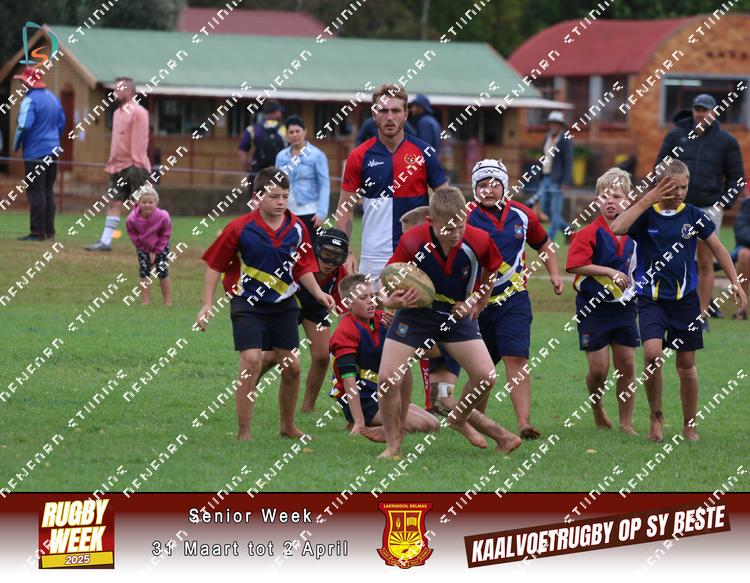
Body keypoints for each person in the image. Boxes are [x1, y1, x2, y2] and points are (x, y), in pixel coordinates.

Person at [377, 187, 522, 459]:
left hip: (455, 316)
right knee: (386, 379)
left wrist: (477, 302)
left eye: (460, 226)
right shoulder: (413, 241)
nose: (455, 234)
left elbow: (492, 270)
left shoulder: (478, 239)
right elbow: (387, 277)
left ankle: (458, 417)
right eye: (448, 228)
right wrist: (389, 300)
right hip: (415, 313)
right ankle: (393, 445)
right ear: (431, 221)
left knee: (486, 377)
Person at [195, 167, 335, 441]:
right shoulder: (239, 228)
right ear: (257, 197)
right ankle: (244, 431)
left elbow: (302, 266)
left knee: (292, 368)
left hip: (284, 306)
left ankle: (288, 427)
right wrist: (206, 304)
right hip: (247, 304)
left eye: (285, 196)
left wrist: (318, 293)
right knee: (251, 361)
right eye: (273, 196)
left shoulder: (297, 228)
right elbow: (214, 265)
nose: (281, 202)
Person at [611, 160, 747, 441]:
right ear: (659, 186)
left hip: (685, 302)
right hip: (651, 300)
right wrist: (647, 199)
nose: (679, 193)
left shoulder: (694, 215)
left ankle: (689, 424)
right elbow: (618, 227)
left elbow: (719, 248)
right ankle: (656, 417)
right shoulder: (646, 215)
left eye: (684, 187)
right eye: (673, 188)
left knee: (686, 365)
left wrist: (736, 282)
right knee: (652, 354)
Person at [466, 159, 564, 438]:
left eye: (494, 184)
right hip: (476, 304)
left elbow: (544, 244)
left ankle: (524, 423)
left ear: (505, 186)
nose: (488, 190)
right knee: (482, 369)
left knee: (516, 358)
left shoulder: (522, 214)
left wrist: (554, 274)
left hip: (514, 299)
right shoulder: (465, 216)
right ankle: (475, 420)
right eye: (482, 185)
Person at [336, 83, 448, 280]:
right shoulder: (359, 156)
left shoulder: (425, 152)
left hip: (417, 256)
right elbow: (345, 209)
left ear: (406, 114)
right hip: (373, 257)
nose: (389, 117)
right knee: (370, 302)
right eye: (383, 111)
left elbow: (447, 202)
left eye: (395, 111)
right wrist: (346, 252)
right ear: (374, 114)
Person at [655, 93, 745, 328]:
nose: (701, 114)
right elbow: (660, 166)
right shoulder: (676, 135)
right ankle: (672, 308)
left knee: (705, 261)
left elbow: (737, 178)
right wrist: (663, 195)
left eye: (706, 110)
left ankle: (701, 315)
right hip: (675, 206)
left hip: (707, 207)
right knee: (675, 258)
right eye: (698, 109)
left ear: (714, 112)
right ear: (693, 111)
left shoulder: (726, 141)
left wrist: (722, 204)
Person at [566, 168, 639, 434]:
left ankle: (626, 423)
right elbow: (574, 265)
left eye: (617, 197)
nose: (611, 202)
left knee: (627, 365)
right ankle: (597, 409)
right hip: (592, 309)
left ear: (628, 200)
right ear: (597, 200)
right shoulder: (587, 233)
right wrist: (609, 272)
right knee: (599, 370)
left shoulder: (636, 234)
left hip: (624, 308)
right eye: (605, 197)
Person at [329, 274, 438, 442]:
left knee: (433, 424)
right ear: (348, 303)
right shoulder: (344, 331)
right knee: (421, 425)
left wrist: (399, 329)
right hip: (363, 399)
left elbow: (428, 352)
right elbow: (349, 381)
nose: (371, 301)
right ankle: (364, 423)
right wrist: (359, 421)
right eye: (363, 298)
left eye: (372, 296)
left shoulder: (383, 319)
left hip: (384, 392)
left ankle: (383, 424)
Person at [261, 228, 350, 413]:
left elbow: (345, 311)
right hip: (288, 302)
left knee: (322, 357)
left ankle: (308, 408)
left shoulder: (340, 274)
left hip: (316, 307)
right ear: (316, 250)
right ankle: (248, 386)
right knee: (271, 357)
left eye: (337, 257)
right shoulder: (300, 262)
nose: (330, 262)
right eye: (326, 255)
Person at [86, 77, 150, 252]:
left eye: (118, 89)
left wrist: (137, 166)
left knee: (142, 206)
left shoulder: (139, 112)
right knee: (114, 203)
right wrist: (112, 163)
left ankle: (149, 242)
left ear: (129, 91)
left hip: (135, 167)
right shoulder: (116, 113)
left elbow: (141, 141)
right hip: (117, 167)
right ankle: (105, 242)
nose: (115, 93)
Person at [12, 66, 65, 241]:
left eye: (22, 81)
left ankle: (37, 232)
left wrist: (16, 144)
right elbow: (62, 123)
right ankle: (49, 231)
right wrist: (53, 139)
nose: (21, 84)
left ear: (28, 82)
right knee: (48, 189)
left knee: (36, 191)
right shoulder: (53, 98)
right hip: (53, 150)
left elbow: (24, 125)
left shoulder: (29, 100)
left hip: (35, 152)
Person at [275, 115, 330, 244]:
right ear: (287, 135)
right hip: (286, 212)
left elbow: (324, 185)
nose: (295, 135)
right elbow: (277, 184)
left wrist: (322, 212)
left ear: (304, 132)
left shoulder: (317, 155)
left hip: (310, 212)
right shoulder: (281, 156)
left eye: (297, 131)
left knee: (310, 250)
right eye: (291, 132)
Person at [125, 185, 172, 306]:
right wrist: (146, 250)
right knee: (144, 271)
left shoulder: (163, 216)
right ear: (138, 203)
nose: (147, 205)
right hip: (143, 247)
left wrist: (156, 251)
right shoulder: (131, 219)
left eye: (151, 202)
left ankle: (168, 302)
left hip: (161, 245)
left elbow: (165, 234)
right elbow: (134, 237)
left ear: (156, 203)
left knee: (162, 271)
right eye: (144, 202)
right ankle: (145, 302)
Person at [534, 111, 573, 243]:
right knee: (545, 209)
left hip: (557, 180)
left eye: (556, 123)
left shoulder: (565, 140)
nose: (554, 126)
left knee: (555, 211)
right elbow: (543, 157)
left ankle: (549, 240)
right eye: (552, 123)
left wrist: (566, 181)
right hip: (545, 178)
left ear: (560, 125)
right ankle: (568, 230)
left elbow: (568, 161)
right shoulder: (546, 138)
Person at [238, 100, 286, 178]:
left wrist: (248, 170)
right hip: (278, 175)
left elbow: (242, 153)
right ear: (277, 112)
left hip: (258, 175)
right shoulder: (286, 130)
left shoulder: (252, 129)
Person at [732, 187, 750, 320]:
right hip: (746, 247)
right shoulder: (748, 204)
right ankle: (741, 309)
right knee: (744, 254)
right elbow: (741, 230)